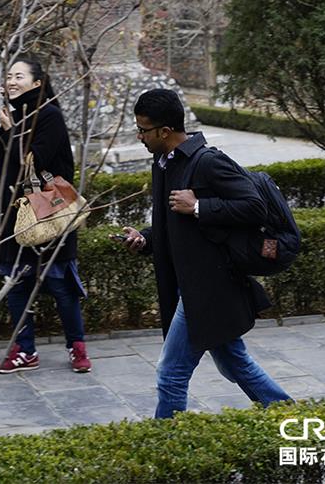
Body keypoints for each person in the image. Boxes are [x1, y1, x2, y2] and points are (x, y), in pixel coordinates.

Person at [117, 89, 291, 418]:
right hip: (188, 284)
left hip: (209, 288)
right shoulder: (164, 163)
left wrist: (199, 206)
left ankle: (165, 451)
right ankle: (288, 414)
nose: (139, 136)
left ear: (165, 131)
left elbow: (254, 205)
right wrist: (145, 238)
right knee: (235, 365)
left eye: (143, 130)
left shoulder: (209, 162)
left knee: (170, 374)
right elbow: (173, 225)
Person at [0, 57, 91, 374]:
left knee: (61, 286)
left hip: (49, 211)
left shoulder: (49, 116)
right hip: (13, 216)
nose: (11, 81)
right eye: (8, 76)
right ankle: (24, 350)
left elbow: (32, 160)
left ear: (38, 83)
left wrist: (10, 128)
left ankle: (77, 346)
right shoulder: (8, 116)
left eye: (19, 76)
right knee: (15, 284)